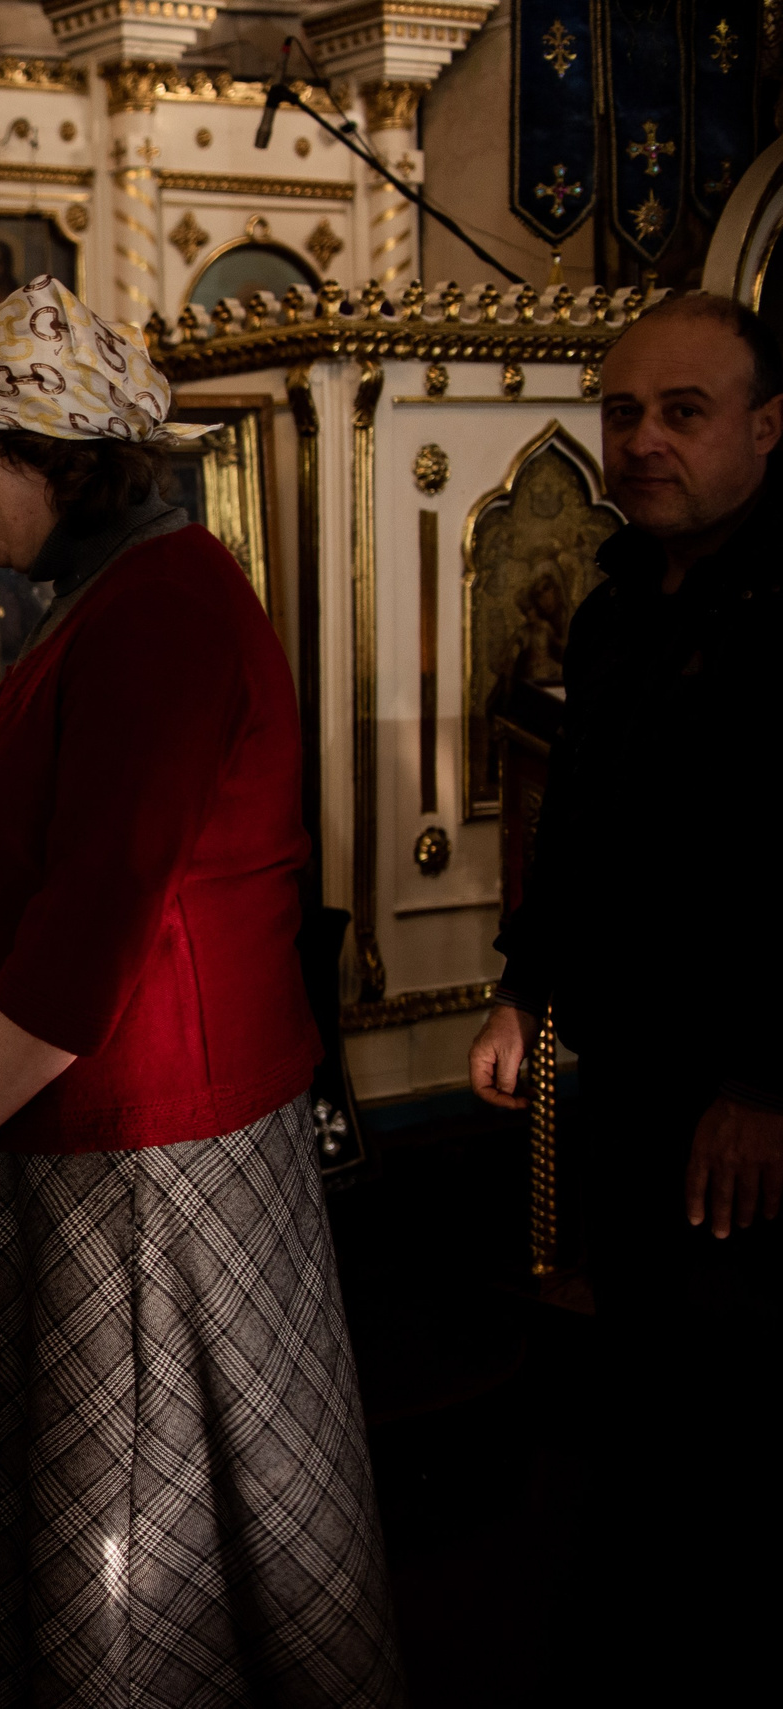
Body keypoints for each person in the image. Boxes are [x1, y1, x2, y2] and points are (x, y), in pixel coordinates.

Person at [0, 277, 403, 1706]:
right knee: (135, 1489)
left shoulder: (160, 610)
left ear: (53, 452)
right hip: (110, 1139)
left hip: (148, 1157)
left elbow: (94, 918)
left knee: (144, 1515)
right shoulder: (115, 597)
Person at [464, 291, 783, 1698]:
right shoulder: (613, 610)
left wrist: (766, 1080)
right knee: (652, 1388)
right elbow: (583, 825)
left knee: (739, 1414)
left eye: (683, 411)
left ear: (768, 428)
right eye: (622, 410)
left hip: (755, 1092)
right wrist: (525, 993)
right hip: (640, 1074)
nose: (641, 440)